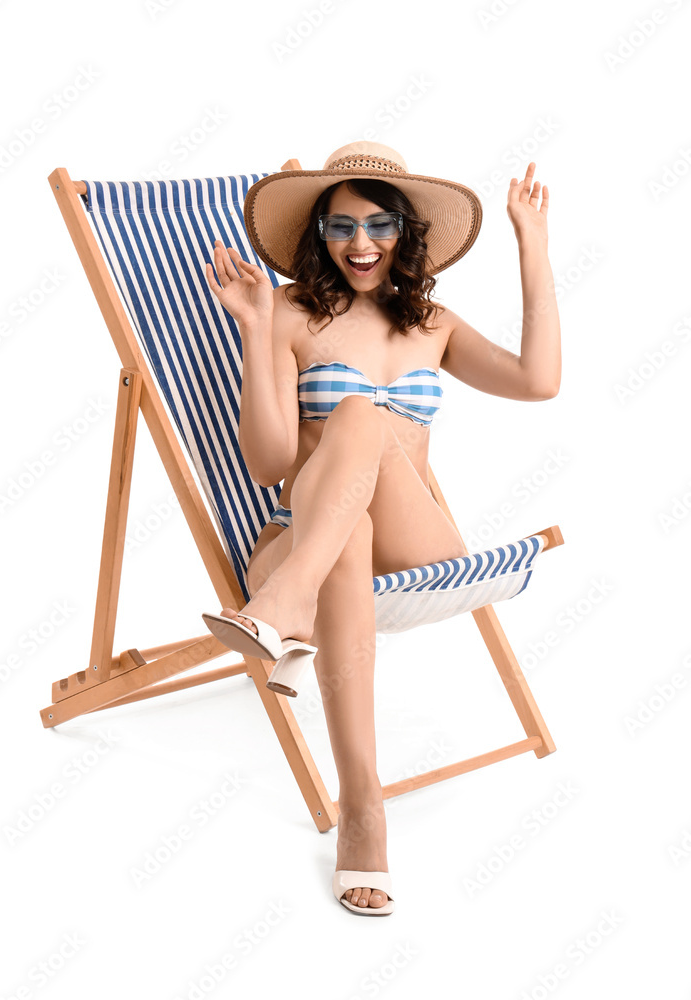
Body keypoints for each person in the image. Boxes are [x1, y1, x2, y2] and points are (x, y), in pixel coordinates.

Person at [202, 141, 561, 915]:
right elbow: (268, 464)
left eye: (378, 224)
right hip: (300, 532)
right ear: (317, 236)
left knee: (360, 412)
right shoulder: (289, 312)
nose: (359, 244)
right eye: (339, 228)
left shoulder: (431, 322)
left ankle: (285, 613)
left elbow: (539, 382)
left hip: (415, 543)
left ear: (405, 230)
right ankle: (362, 812)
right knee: (345, 530)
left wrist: (531, 246)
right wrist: (254, 329)